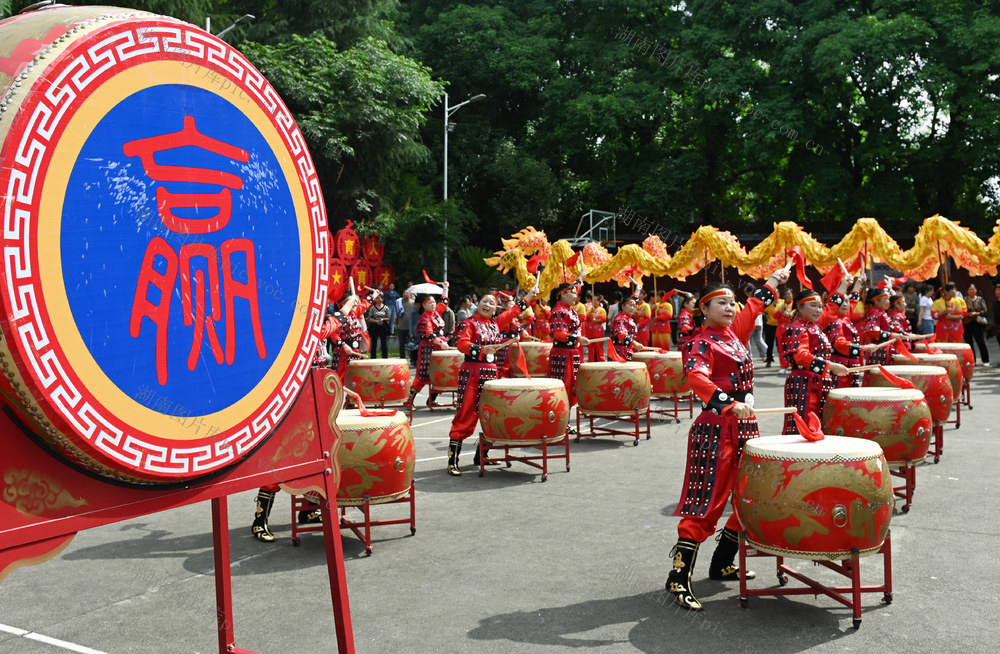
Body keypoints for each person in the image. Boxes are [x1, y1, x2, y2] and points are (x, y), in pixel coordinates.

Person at [665, 266, 789, 611]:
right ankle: (677, 577)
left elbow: (755, 305)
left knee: (748, 494)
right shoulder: (700, 342)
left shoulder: (734, 333)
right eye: (721, 303)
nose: (730, 308)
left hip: (745, 426)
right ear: (703, 310)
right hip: (716, 428)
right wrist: (728, 403)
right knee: (708, 500)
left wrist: (776, 279)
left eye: (731, 303)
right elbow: (696, 377)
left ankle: (721, 562)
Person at [446, 290, 535, 475]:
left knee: (491, 415)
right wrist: (481, 348)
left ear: (495, 310)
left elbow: (513, 311)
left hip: (490, 373)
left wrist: (529, 296)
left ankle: (483, 455)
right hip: (472, 372)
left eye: (491, 303)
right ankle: (452, 460)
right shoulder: (468, 323)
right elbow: (462, 344)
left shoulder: (496, 323)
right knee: (466, 414)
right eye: (484, 301)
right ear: (478, 305)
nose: (486, 304)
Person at [780, 283, 856, 434]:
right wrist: (832, 366)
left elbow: (832, 307)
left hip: (819, 383)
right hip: (804, 385)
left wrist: (844, 285)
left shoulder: (814, 326)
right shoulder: (798, 328)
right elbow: (801, 356)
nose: (818, 310)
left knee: (820, 425)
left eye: (820, 306)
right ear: (800, 307)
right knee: (804, 429)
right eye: (813, 306)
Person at [548, 282, 589, 408]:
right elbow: (559, 334)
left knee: (572, 388)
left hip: (572, 353)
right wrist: (577, 339)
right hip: (563, 354)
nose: (575, 295)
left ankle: (566, 423)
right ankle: (561, 422)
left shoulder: (569, 310)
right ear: (562, 294)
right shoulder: (559, 311)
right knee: (563, 387)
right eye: (572, 292)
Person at [406, 295, 448, 408]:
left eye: (434, 302)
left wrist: (445, 289)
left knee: (439, 374)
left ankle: (432, 400)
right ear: (424, 305)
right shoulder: (425, 318)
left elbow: (443, 303)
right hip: (428, 349)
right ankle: (409, 401)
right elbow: (429, 334)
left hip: (439, 348)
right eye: (430, 303)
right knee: (423, 374)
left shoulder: (436, 313)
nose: (433, 304)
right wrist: (441, 343)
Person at [610, 290, 645, 361]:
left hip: (626, 350)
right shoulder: (621, 319)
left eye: (634, 306)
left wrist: (638, 290)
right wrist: (634, 343)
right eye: (630, 306)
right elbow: (621, 334)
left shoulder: (627, 317)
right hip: (620, 352)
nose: (633, 308)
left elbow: (633, 300)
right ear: (623, 306)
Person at [963, 284, 989, 364]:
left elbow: (985, 311)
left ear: (976, 290)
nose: (972, 291)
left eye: (973, 289)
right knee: (969, 343)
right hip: (967, 324)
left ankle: (985, 360)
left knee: (980, 342)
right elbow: (962, 310)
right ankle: (972, 360)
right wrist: (968, 314)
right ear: (967, 291)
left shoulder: (980, 299)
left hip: (978, 323)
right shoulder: (964, 299)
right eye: (970, 289)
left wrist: (977, 313)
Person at [365, 291, 392, 358]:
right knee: (374, 341)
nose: (378, 300)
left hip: (383, 325)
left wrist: (382, 319)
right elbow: (369, 318)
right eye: (377, 298)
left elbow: (389, 317)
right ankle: (373, 357)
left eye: (379, 298)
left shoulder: (386, 307)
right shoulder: (373, 308)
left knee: (384, 342)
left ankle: (385, 356)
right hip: (374, 326)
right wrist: (376, 321)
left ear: (382, 299)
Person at [397, 291, 415, 359]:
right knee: (401, 344)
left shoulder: (412, 303)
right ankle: (402, 358)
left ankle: (413, 358)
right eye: (403, 293)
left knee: (412, 344)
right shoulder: (398, 303)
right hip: (401, 326)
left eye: (406, 293)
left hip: (410, 327)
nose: (404, 294)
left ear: (409, 294)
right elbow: (397, 313)